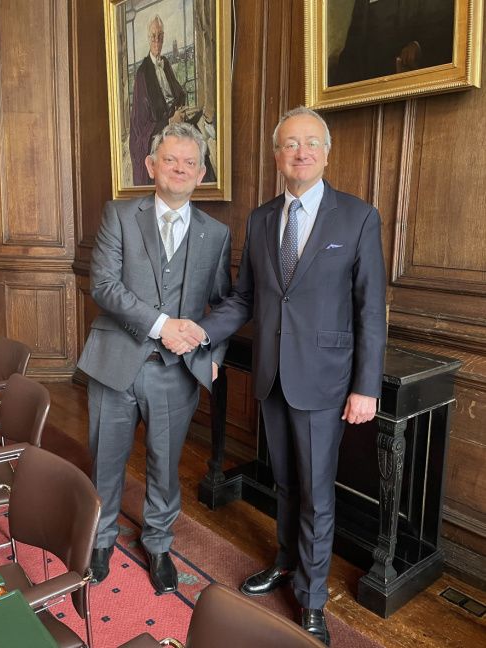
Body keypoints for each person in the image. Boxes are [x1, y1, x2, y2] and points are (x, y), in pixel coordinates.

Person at [165, 106, 386, 644]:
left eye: (311, 143)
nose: (301, 152)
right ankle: (286, 563)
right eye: (290, 144)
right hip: (272, 378)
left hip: (327, 381)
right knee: (284, 482)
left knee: (316, 492)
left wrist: (366, 385)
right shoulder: (262, 218)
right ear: (277, 156)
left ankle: (312, 597)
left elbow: (370, 310)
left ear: (326, 153)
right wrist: (198, 331)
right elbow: (245, 299)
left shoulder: (357, 217)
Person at [77, 122, 231, 595]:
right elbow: (103, 286)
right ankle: (99, 539)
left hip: (177, 373)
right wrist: (162, 325)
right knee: (107, 459)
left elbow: (225, 305)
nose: (180, 168)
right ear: (151, 165)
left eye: (190, 162)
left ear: (201, 173)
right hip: (116, 364)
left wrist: (214, 354)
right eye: (171, 160)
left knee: (166, 467)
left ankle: (159, 544)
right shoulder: (120, 215)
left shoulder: (217, 233)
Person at [332, 0, 454, 86]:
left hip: (406, 76)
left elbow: (444, 24)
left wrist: (418, 45)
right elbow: (353, 43)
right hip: (369, 78)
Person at [129, 15, 187, 185]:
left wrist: (179, 110)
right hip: (156, 135)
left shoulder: (166, 63)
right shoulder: (142, 73)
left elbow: (178, 92)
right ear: (148, 38)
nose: (157, 40)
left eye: (160, 36)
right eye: (153, 36)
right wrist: (169, 120)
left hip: (173, 125)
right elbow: (141, 122)